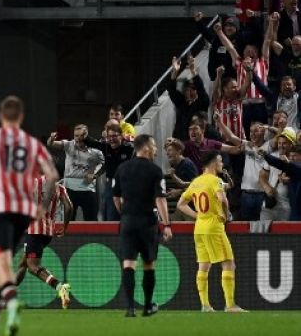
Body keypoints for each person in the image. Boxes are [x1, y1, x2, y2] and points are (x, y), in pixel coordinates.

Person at [0, 95, 59, 335]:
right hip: (23, 209)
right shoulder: (32, 143)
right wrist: (44, 206)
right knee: (3, 262)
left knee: (2, 260)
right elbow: (53, 176)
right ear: (21, 117)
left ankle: (13, 302)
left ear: (1, 117)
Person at [177, 151, 248, 312]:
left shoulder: (196, 182)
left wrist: (198, 216)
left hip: (199, 228)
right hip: (214, 227)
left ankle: (205, 305)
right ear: (213, 162)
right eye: (220, 161)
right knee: (228, 262)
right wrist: (225, 214)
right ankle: (230, 305)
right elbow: (223, 199)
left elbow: (181, 203)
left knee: (203, 266)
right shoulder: (215, 181)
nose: (222, 164)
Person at [112, 134, 172, 317]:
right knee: (148, 264)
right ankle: (147, 306)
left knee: (128, 264)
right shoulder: (155, 171)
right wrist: (167, 224)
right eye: (153, 145)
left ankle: (130, 308)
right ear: (145, 147)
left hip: (128, 221)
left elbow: (115, 197)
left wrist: (125, 212)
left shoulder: (121, 169)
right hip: (147, 223)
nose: (155, 149)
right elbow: (160, 199)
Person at [15, 177, 73, 308]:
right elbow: (69, 207)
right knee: (23, 264)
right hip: (48, 233)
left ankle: (60, 287)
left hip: (35, 231)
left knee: (32, 266)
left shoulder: (32, 183)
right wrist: (65, 226)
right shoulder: (59, 187)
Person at [47, 125, 104, 221]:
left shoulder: (96, 150)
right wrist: (51, 139)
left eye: (81, 136)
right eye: (76, 136)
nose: (77, 139)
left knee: (91, 221)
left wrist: (95, 174)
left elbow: (104, 164)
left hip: (88, 189)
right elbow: (51, 144)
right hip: (70, 189)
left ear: (86, 135)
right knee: (68, 221)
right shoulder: (69, 145)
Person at [84, 123, 134, 221]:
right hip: (111, 184)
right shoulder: (106, 147)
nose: (111, 139)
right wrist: (84, 136)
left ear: (121, 136)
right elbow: (92, 143)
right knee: (111, 214)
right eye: (109, 136)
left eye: (114, 136)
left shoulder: (129, 148)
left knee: (128, 213)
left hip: (127, 184)